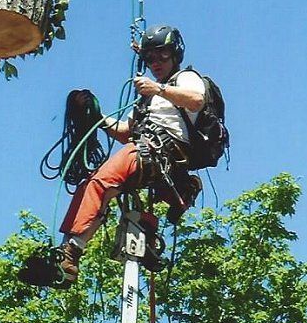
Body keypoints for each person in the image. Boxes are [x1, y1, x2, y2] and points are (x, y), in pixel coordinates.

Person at [54, 24, 216, 287]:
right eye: (150, 57)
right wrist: (96, 116)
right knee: (96, 187)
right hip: (145, 148)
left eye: (162, 55)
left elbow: (196, 100)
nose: (156, 62)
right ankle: (80, 250)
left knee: (100, 182)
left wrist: (158, 89)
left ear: (175, 54)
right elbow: (125, 132)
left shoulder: (184, 78)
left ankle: (70, 251)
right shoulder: (146, 98)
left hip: (159, 149)